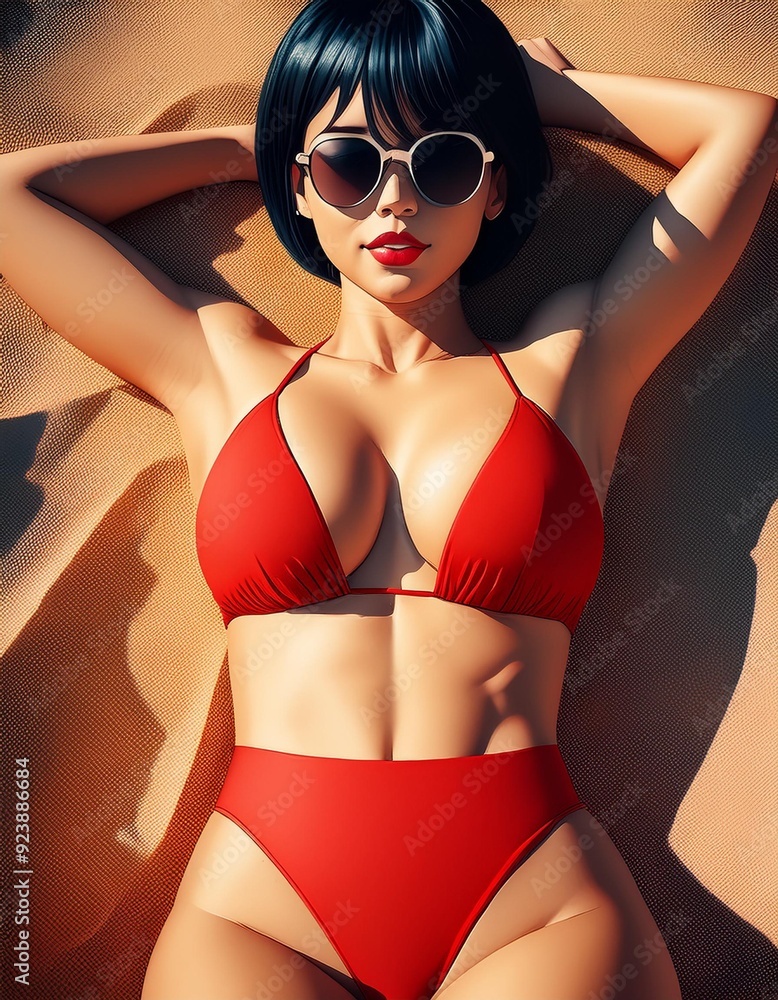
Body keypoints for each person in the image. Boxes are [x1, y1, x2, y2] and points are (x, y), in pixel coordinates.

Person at [1, 1, 775, 997]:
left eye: (443, 161)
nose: (394, 201)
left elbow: (742, 133)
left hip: (531, 903)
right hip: (257, 908)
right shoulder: (224, 372)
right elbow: (18, 198)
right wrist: (261, 139)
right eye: (350, 166)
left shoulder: (572, 365)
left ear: (492, 187)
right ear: (303, 187)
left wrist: (526, 91)